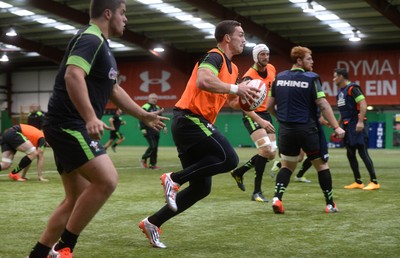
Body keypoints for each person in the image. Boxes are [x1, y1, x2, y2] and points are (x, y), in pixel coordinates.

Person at [28, 1, 168, 257]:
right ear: (108, 13)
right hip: (68, 124)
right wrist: (91, 116)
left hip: (66, 125)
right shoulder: (90, 39)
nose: (126, 19)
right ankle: (64, 248)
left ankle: (40, 253)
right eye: (123, 13)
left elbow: (114, 89)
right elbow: (73, 75)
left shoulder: (103, 46)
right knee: (107, 180)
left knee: (75, 198)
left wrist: (143, 114)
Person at [138, 20, 259, 248]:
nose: (244, 39)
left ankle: (152, 223)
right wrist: (236, 88)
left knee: (201, 188)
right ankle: (173, 178)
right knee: (229, 158)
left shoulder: (233, 69)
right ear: (227, 38)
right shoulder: (213, 56)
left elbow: (232, 101)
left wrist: (250, 100)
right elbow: (204, 80)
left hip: (192, 125)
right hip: (190, 120)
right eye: (240, 35)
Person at [266, 46, 345, 214]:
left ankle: (277, 199)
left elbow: (269, 106)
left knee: (287, 166)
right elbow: (323, 105)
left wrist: (280, 118)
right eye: (309, 58)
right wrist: (337, 127)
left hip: (286, 131)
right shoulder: (311, 78)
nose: (312, 61)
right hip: (308, 130)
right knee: (322, 166)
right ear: (299, 61)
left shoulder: (278, 78)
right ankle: (330, 204)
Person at [230, 43, 277, 202]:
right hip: (252, 114)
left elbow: (273, 92)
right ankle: (256, 192)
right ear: (256, 57)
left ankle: (239, 172)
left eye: (267, 54)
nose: (265, 57)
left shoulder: (271, 69)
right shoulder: (249, 77)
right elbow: (241, 104)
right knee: (265, 151)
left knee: (271, 154)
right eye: (262, 54)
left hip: (266, 114)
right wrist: (259, 120)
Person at [334, 68, 380, 190]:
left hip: (356, 123)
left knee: (362, 152)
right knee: (350, 153)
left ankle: (374, 181)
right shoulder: (340, 93)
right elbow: (342, 112)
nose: (334, 79)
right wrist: (337, 126)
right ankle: (358, 181)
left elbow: (363, 103)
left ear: (341, 77)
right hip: (347, 125)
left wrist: (360, 121)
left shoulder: (352, 88)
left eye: (335, 77)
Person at [139, 93, 167, 169]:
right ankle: (144, 158)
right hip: (148, 130)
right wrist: (143, 129)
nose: (154, 100)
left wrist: (164, 127)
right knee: (153, 146)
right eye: (153, 98)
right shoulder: (145, 107)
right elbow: (141, 117)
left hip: (156, 130)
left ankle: (152, 164)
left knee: (155, 148)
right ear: (148, 99)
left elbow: (160, 118)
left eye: (156, 98)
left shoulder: (157, 107)